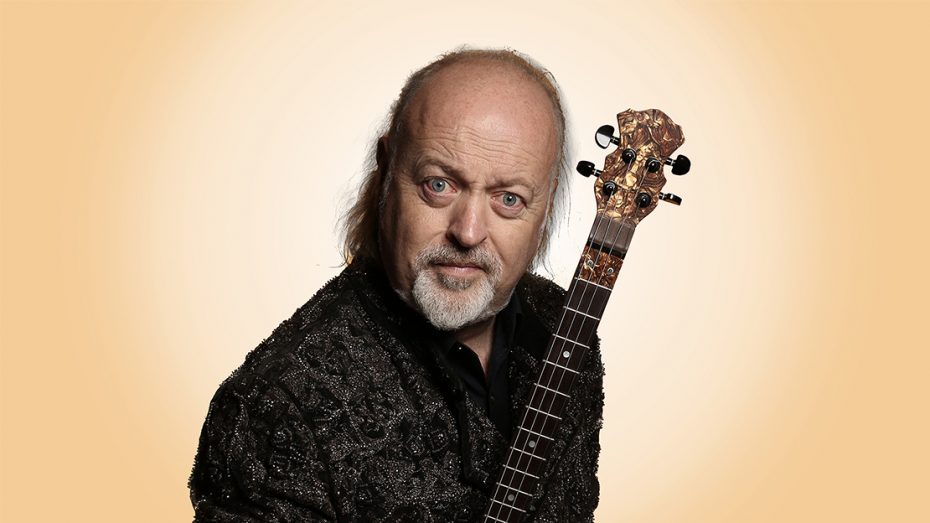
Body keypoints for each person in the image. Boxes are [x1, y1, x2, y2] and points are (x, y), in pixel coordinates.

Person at [189, 47, 604, 522]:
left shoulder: (566, 328)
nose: (468, 232)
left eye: (508, 198)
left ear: (547, 203)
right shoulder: (276, 403)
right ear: (386, 169)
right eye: (439, 185)